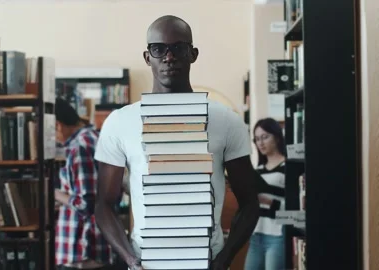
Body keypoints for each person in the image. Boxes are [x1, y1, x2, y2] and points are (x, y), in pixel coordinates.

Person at [94, 15, 260, 270]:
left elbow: (249, 202)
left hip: (207, 259)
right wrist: (130, 259)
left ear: (193, 54)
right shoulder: (120, 122)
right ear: (147, 57)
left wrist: (224, 260)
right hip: (146, 261)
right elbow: (104, 203)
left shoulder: (227, 120)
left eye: (178, 48)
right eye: (158, 49)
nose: (168, 57)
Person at [54, 98, 114, 270]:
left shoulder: (79, 147)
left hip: (82, 250)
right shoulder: (93, 138)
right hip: (92, 247)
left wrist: (54, 193)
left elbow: (86, 203)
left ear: (58, 125)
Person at [244, 118, 286, 270]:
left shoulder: (288, 167)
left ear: (277, 136)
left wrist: (269, 202)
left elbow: (297, 208)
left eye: (265, 137)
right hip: (257, 234)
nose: (260, 143)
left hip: (277, 235)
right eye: (257, 139)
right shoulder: (259, 169)